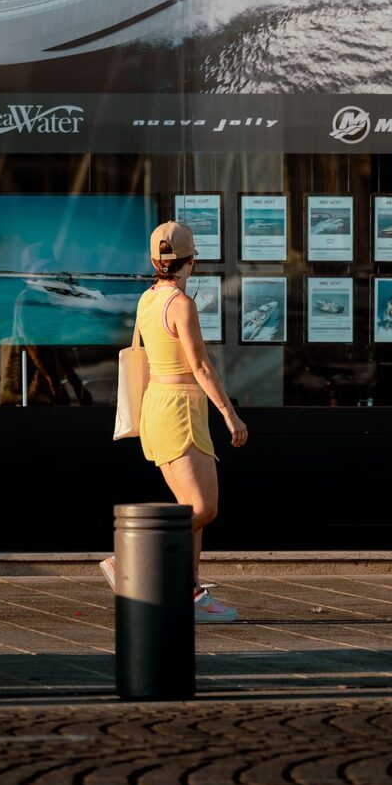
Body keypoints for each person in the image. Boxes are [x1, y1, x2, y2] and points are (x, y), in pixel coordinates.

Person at [101, 221, 248, 623]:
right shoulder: (181, 304)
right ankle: (131, 555)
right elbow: (199, 365)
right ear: (191, 262)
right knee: (203, 507)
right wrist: (229, 414)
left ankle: (192, 592)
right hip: (180, 409)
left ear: (155, 260)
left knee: (190, 507)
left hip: (162, 405)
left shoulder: (148, 299)